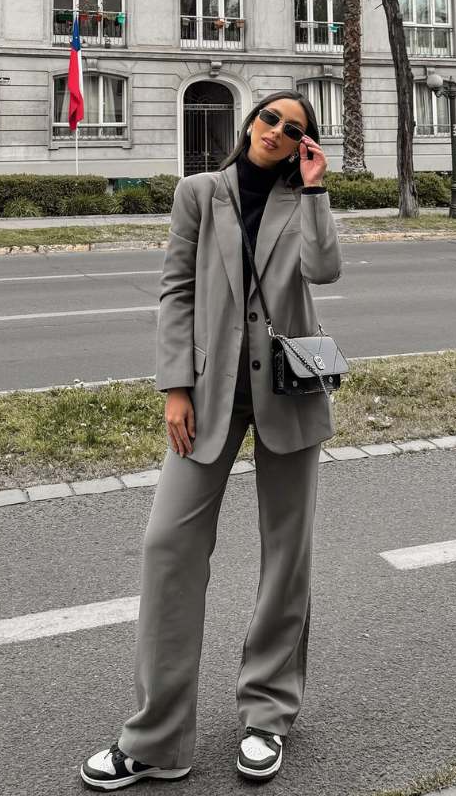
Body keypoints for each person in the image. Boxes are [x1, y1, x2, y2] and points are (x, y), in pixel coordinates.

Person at [80, 90, 342, 790]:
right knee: (169, 546)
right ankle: (158, 737)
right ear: (249, 122)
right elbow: (176, 291)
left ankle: (267, 715)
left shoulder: (301, 197)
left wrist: (316, 191)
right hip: (207, 395)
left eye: (295, 131)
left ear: (302, 146)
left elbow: (323, 271)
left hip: (289, 393)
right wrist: (175, 387)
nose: (277, 133)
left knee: (286, 557)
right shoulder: (200, 193)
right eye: (269, 120)